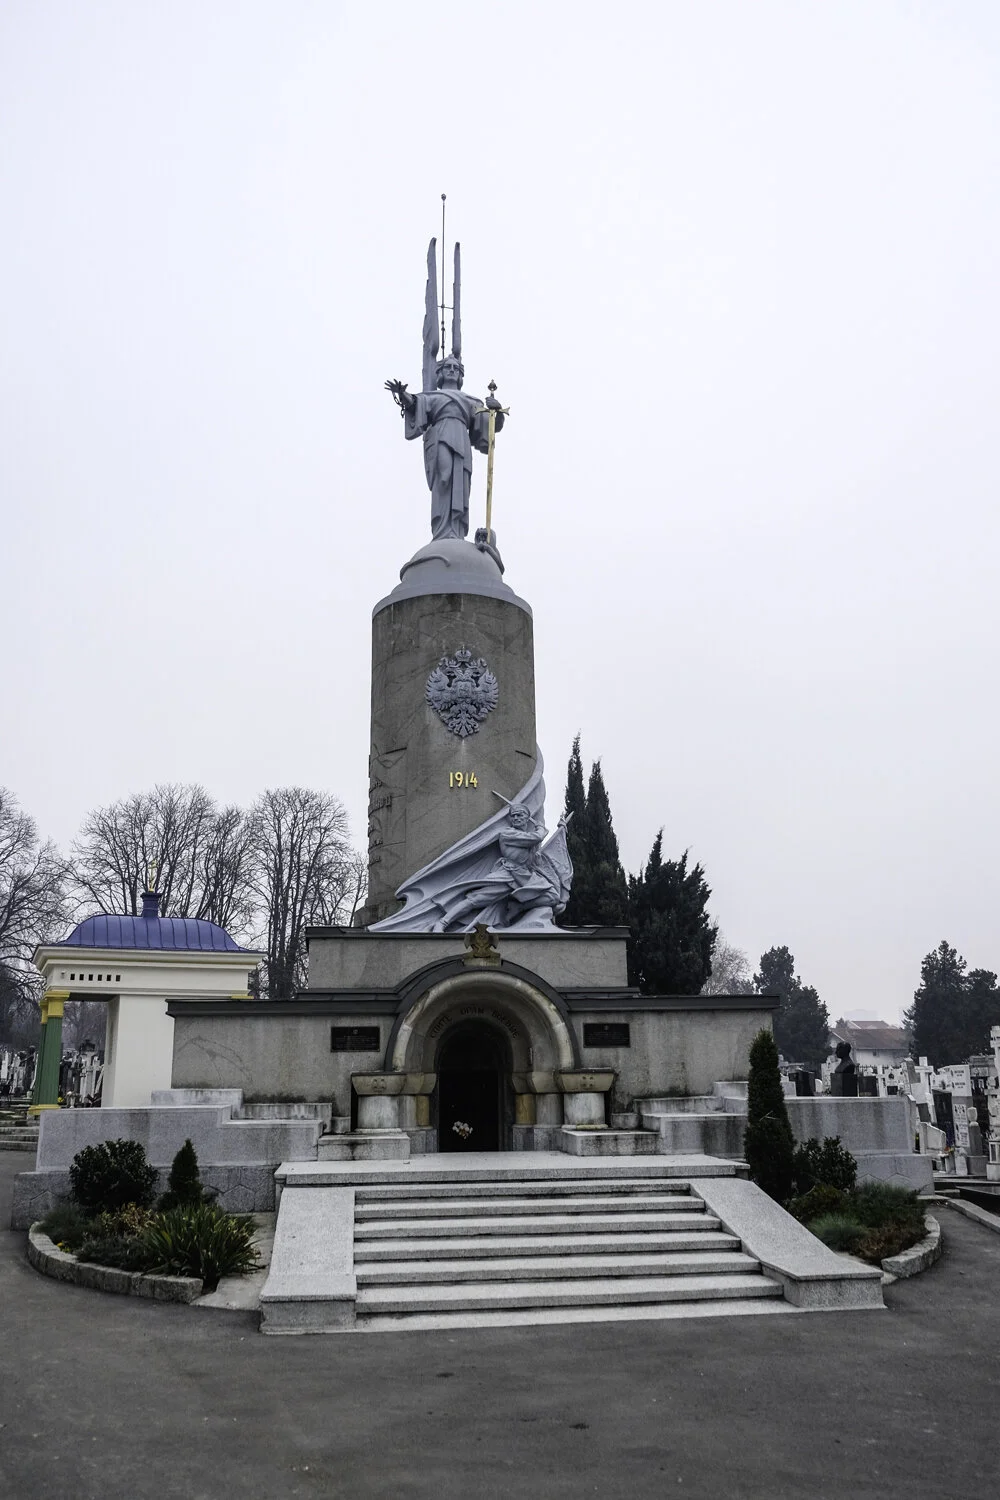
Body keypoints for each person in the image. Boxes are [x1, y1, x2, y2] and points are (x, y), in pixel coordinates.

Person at [385, 357, 504, 540]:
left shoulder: (471, 400)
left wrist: (497, 411)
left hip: (462, 440)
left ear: (460, 375)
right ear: (440, 373)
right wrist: (402, 395)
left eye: (455, 368)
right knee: (444, 476)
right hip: (441, 435)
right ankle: (441, 528)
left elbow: (491, 427)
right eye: (447, 367)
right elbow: (416, 404)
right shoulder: (434, 396)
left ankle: (456, 529)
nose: (451, 370)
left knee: (461, 483)